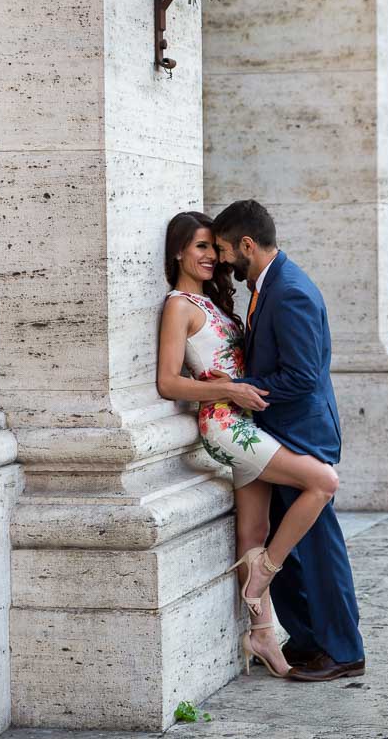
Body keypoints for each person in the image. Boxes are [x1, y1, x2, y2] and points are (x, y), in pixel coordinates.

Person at [157, 211, 341, 679]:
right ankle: (267, 570)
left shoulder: (219, 305)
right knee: (322, 482)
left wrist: (239, 385)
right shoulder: (178, 305)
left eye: (213, 248)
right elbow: (167, 382)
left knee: (251, 534)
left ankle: (261, 635)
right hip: (226, 425)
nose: (211, 257)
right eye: (200, 247)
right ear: (178, 251)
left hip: (248, 418)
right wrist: (229, 391)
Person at [210, 199, 365, 682]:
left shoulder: (291, 291)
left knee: (319, 548)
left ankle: (344, 651)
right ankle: (311, 642)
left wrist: (240, 394)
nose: (221, 260)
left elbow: (300, 376)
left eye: (224, 250)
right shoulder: (266, 285)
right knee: (292, 548)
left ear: (247, 245)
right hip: (279, 433)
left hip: (303, 434)